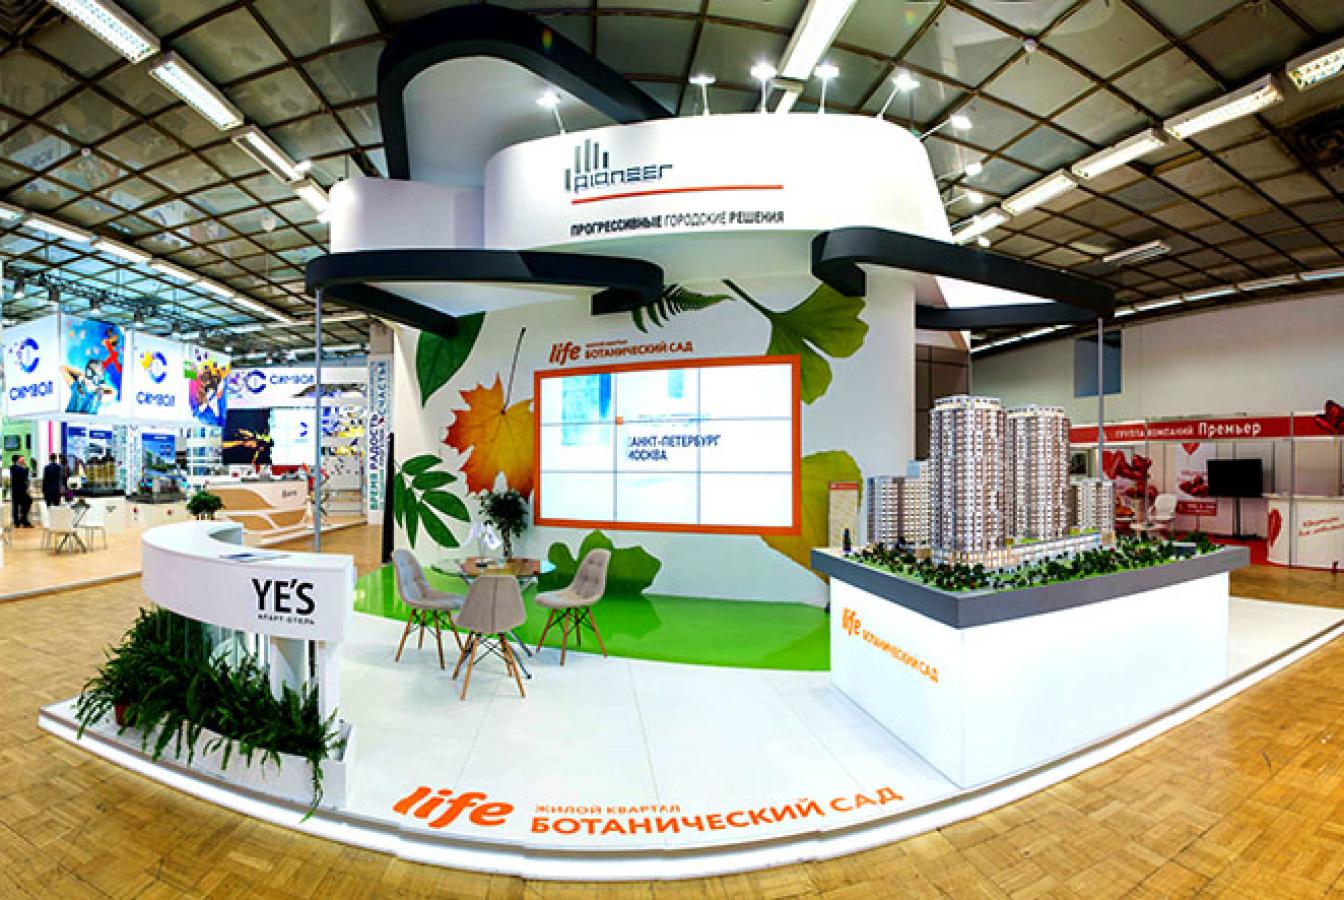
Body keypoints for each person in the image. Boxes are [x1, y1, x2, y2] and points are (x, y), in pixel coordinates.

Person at [9, 454, 32, 528]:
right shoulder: (17, 468)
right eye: (22, 459)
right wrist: (25, 467)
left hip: (15, 490)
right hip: (20, 491)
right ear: (18, 460)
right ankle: (23, 520)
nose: (23, 460)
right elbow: (25, 475)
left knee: (16, 506)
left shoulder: (13, 468)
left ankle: (17, 522)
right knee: (28, 501)